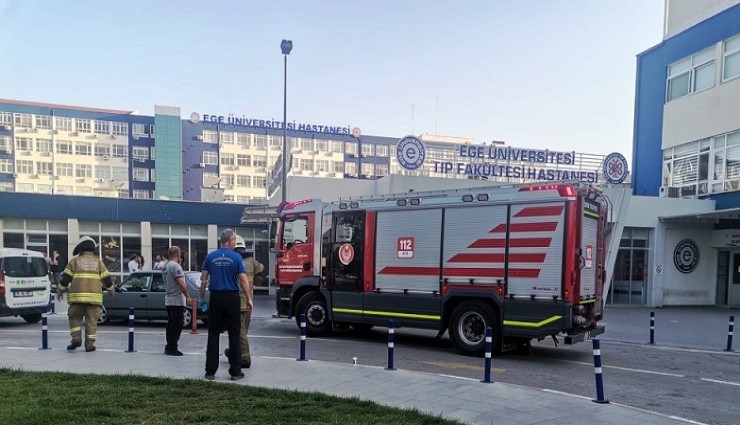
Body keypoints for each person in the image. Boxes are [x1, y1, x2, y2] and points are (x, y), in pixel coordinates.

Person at [198, 229, 251, 381]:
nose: (235, 244)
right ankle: (235, 371)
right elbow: (243, 279)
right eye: (234, 241)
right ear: (229, 241)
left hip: (216, 297)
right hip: (232, 297)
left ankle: (210, 371)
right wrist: (249, 298)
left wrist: (202, 298)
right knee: (234, 335)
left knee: (213, 334)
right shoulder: (236, 257)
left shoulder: (210, 257)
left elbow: (203, 279)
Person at [57, 236, 115, 352]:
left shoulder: (74, 261)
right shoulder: (98, 262)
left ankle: (76, 339)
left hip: (77, 298)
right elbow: (107, 279)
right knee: (92, 322)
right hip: (94, 299)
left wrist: (60, 290)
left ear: (80, 248)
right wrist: (111, 290)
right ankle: (89, 345)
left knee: (74, 318)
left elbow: (65, 279)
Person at [225, 235, 263, 368]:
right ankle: (233, 352)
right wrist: (256, 283)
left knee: (239, 331)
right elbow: (261, 270)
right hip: (249, 302)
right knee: (242, 331)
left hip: (237, 302)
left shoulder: (232, 260)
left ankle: (245, 358)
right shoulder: (252, 261)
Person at [163, 245, 192, 356]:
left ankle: (169, 346)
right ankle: (172, 347)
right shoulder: (175, 266)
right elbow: (181, 283)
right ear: (178, 254)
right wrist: (188, 296)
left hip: (168, 298)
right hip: (176, 299)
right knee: (177, 324)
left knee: (171, 323)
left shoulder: (165, 266)